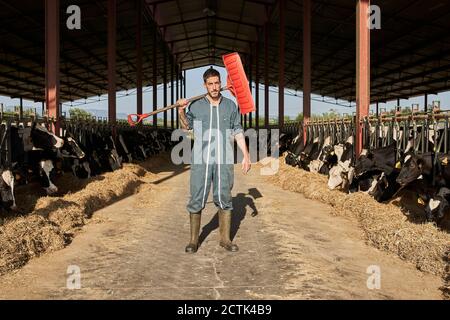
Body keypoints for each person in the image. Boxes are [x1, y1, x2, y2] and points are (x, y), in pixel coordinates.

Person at [177, 67, 251, 253]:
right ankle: (194, 240)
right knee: (196, 196)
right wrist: (181, 111)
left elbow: (237, 130)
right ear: (205, 85)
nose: (214, 87)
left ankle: (225, 239)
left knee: (224, 196)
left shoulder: (230, 106)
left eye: (217, 83)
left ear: (221, 83)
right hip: (201, 159)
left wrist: (246, 155)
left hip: (224, 159)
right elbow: (186, 128)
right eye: (210, 84)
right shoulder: (196, 106)